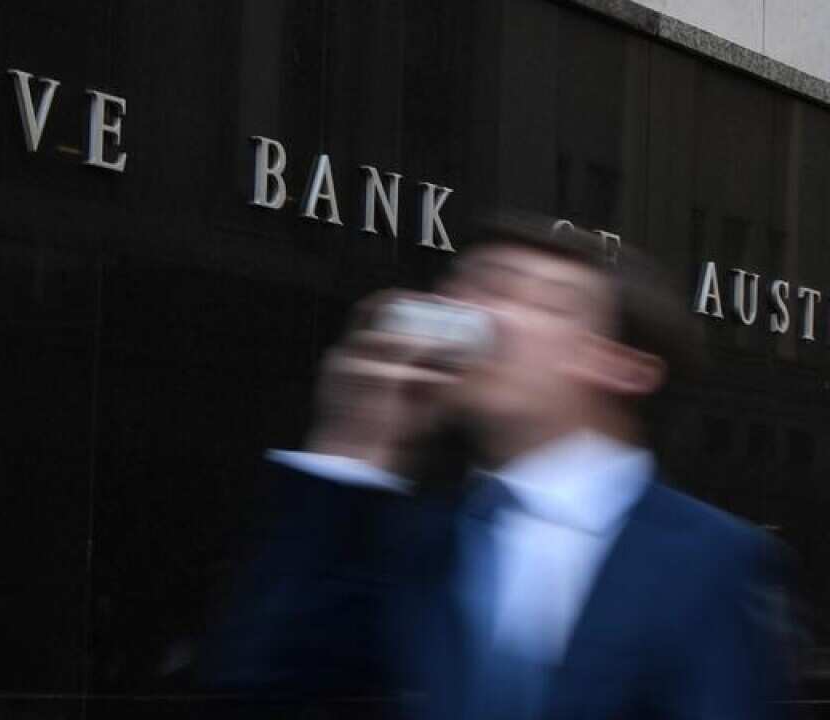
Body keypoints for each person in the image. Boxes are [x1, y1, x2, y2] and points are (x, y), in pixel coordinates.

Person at [203, 213, 798, 719]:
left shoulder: (714, 561)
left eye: (531, 297)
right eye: (472, 288)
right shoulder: (408, 534)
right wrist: (357, 440)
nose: (478, 317)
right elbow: (260, 681)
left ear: (623, 367)